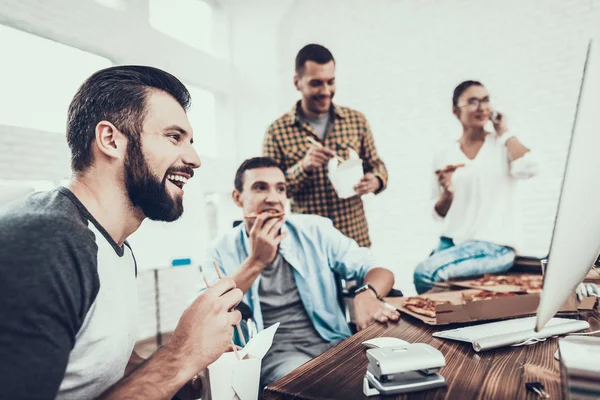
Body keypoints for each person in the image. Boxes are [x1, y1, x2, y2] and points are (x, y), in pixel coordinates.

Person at [0, 66, 243, 400]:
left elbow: (98, 361)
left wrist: (187, 377)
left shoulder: (114, 246)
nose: (195, 159)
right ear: (111, 140)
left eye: (191, 142)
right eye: (174, 137)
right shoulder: (46, 242)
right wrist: (180, 356)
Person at [201, 157, 399, 387]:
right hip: (278, 355)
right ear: (237, 198)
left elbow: (379, 271)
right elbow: (206, 313)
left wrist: (367, 293)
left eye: (280, 189)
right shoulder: (218, 250)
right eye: (260, 187)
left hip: (335, 341)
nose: (272, 198)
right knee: (314, 385)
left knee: (392, 374)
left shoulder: (315, 230)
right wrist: (256, 261)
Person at [413, 80, 540, 294]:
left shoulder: (501, 146)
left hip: (494, 246)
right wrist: (447, 193)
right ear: (455, 110)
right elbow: (438, 214)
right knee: (428, 288)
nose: (481, 107)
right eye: (472, 101)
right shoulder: (444, 156)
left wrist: (505, 133)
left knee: (424, 274)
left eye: (485, 100)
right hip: (452, 243)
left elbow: (530, 167)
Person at [263, 44, 388, 248]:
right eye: (316, 83)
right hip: (309, 244)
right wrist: (303, 167)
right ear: (297, 82)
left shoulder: (357, 121)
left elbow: (377, 164)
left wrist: (376, 180)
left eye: (330, 82)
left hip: (354, 239)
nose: (326, 91)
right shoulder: (276, 132)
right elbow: (271, 193)